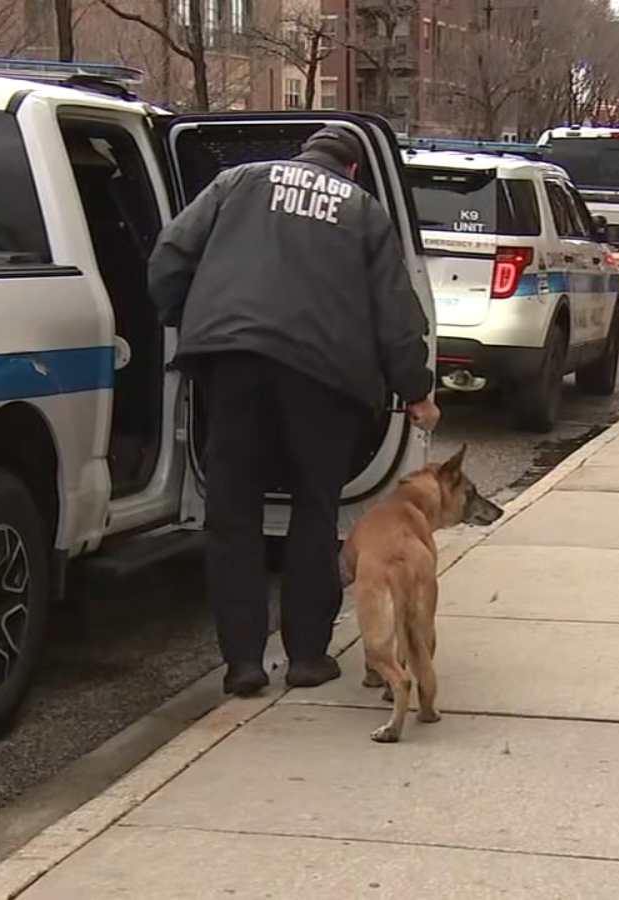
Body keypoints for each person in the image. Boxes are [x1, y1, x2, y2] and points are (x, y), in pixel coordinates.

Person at [147, 127, 439, 697]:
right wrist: (415, 390)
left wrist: (190, 315)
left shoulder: (236, 181)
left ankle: (244, 666)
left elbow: (169, 256)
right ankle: (307, 656)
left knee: (233, 516)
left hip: (232, 364)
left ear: (303, 154)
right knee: (313, 512)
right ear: (352, 169)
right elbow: (395, 315)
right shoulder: (363, 211)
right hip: (323, 378)